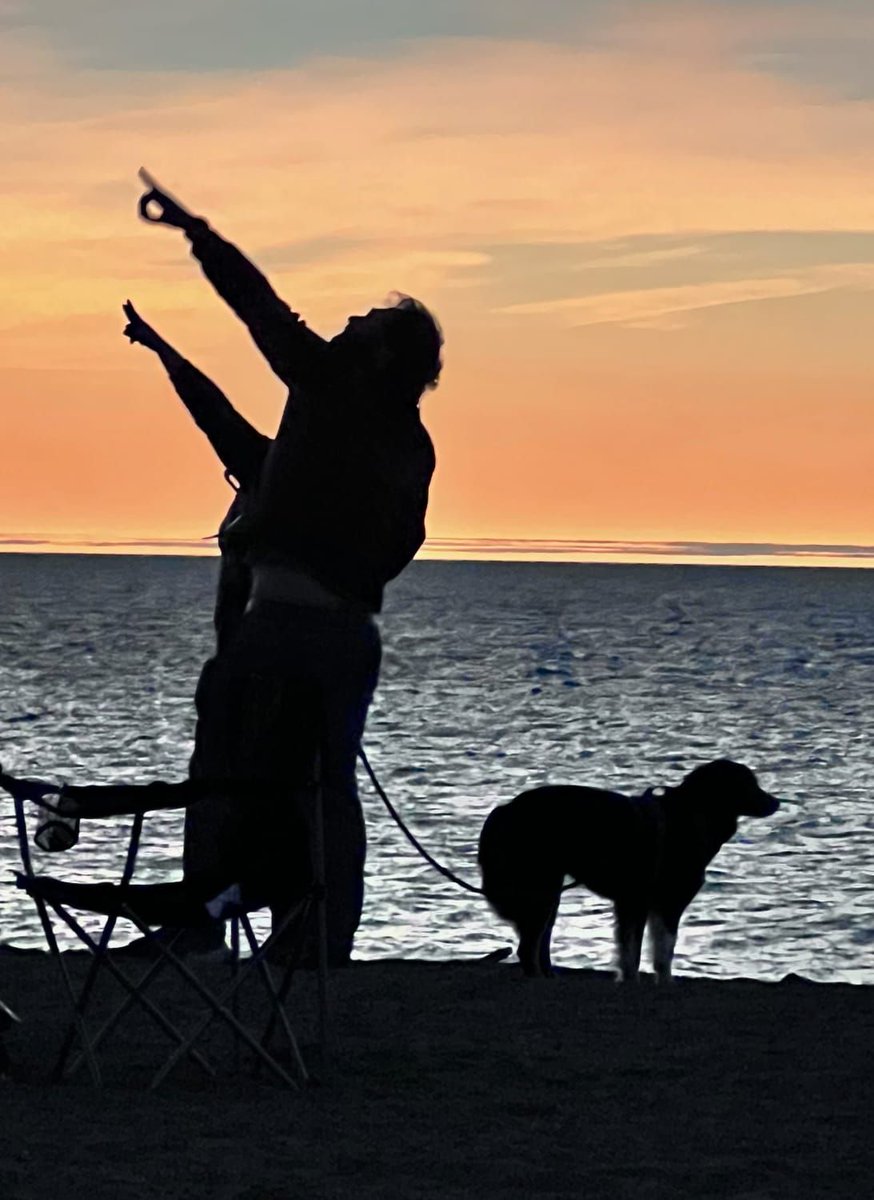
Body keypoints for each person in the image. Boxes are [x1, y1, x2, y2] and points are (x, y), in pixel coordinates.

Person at [136, 170, 442, 964]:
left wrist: (197, 234)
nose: (348, 322)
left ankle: (207, 922)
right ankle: (318, 938)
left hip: (283, 625)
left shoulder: (336, 388)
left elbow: (262, 311)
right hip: (347, 633)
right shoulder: (411, 443)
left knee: (225, 769)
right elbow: (403, 544)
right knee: (323, 786)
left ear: (382, 356)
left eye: (367, 323)